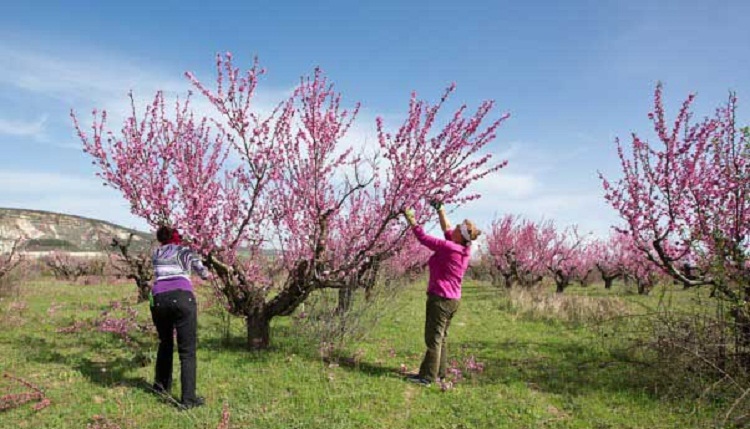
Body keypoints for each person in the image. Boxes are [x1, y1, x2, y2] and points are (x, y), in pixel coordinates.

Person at [403, 202, 481, 385]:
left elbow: (423, 237)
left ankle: (427, 378)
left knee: (433, 339)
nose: (452, 229)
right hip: (453, 299)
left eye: (457, 229)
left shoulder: (449, 248)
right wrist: (440, 209)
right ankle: (439, 373)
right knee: (441, 338)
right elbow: (446, 227)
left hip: (441, 298)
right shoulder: (462, 248)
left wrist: (411, 218)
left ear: (460, 236)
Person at [150, 225, 210, 409]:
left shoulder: (156, 253)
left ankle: (161, 387)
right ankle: (188, 400)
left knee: (165, 343)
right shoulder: (185, 251)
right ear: (177, 237)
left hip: (159, 298)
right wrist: (205, 272)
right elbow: (204, 273)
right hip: (182, 297)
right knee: (187, 351)